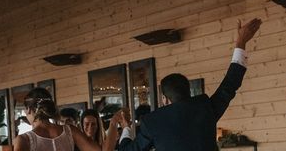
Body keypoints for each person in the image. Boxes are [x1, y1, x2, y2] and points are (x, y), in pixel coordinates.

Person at [111, 18, 262, 151]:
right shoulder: (204, 108)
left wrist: (126, 129)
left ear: (164, 99)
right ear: (188, 92)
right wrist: (241, 42)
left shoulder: (152, 122)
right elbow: (230, 84)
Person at [12, 87, 115, 151]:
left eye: (25, 110)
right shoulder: (70, 131)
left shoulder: (24, 140)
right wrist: (113, 123)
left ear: (29, 109)